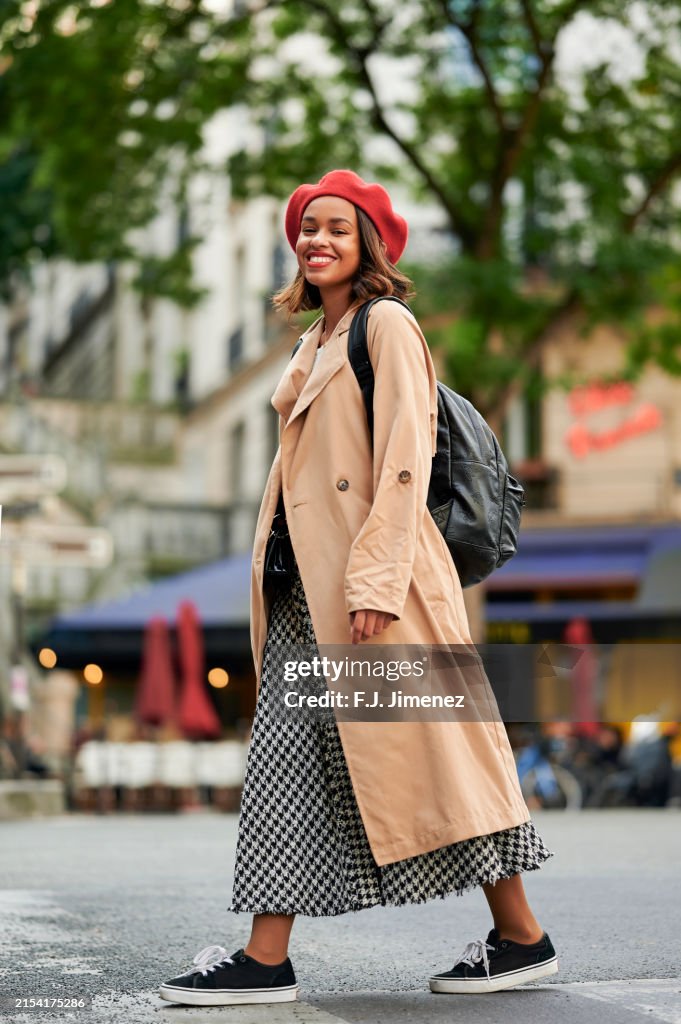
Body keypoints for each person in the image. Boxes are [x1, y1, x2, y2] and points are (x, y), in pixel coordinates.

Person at [159, 170, 559, 1007]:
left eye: (336, 226)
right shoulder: (313, 341)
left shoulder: (386, 326)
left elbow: (405, 460)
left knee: (442, 765)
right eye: (306, 228)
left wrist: (375, 579)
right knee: (285, 764)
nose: (317, 240)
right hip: (310, 596)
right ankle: (266, 956)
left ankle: (521, 936)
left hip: (376, 595)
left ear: (368, 241)